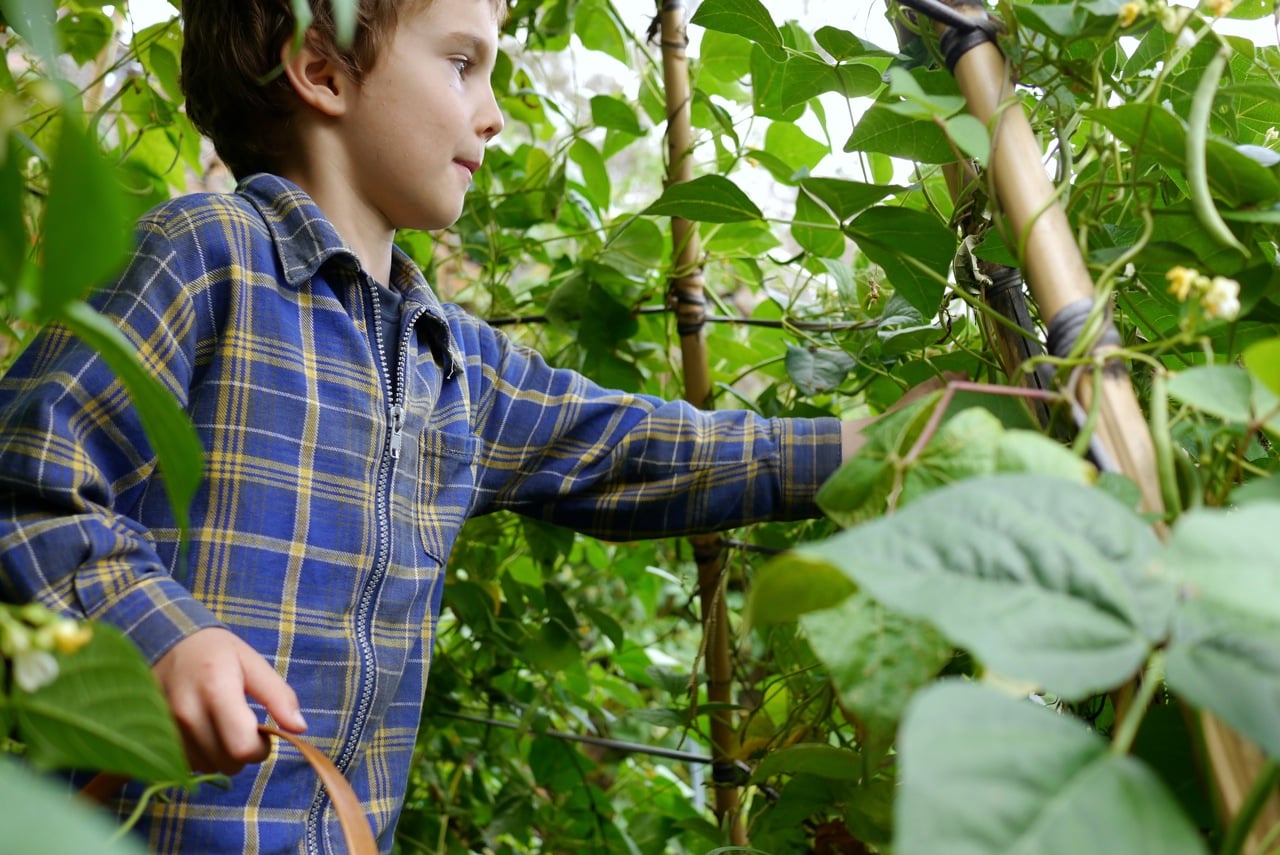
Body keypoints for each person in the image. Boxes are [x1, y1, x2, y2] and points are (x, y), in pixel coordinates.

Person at [0, 0, 931, 851]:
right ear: (321, 69)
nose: (492, 115)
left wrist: (874, 448)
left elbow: (637, 449)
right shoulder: (210, 257)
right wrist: (159, 632)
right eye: (462, 65)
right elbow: (22, 484)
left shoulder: (455, 366)